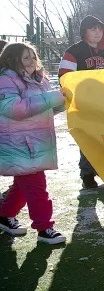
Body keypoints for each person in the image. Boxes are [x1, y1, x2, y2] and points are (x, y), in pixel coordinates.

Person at [0, 42, 67, 244]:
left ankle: (4, 215)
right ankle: (44, 227)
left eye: (33, 57)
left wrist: (62, 102)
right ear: (12, 59)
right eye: (25, 57)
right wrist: (53, 97)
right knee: (37, 186)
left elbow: (44, 107)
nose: (31, 61)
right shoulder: (6, 80)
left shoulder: (39, 80)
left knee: (23, 185)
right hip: (19, 144)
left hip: (34, 143)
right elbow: (16, 109)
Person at [59, 15, 104, 188]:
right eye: (92, 29)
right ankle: (87, 174)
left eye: (99, 28)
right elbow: (64, 76)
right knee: (88, 139)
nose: (97, 32)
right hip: (84, 105)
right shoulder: (74, 51)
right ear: (84, 31)